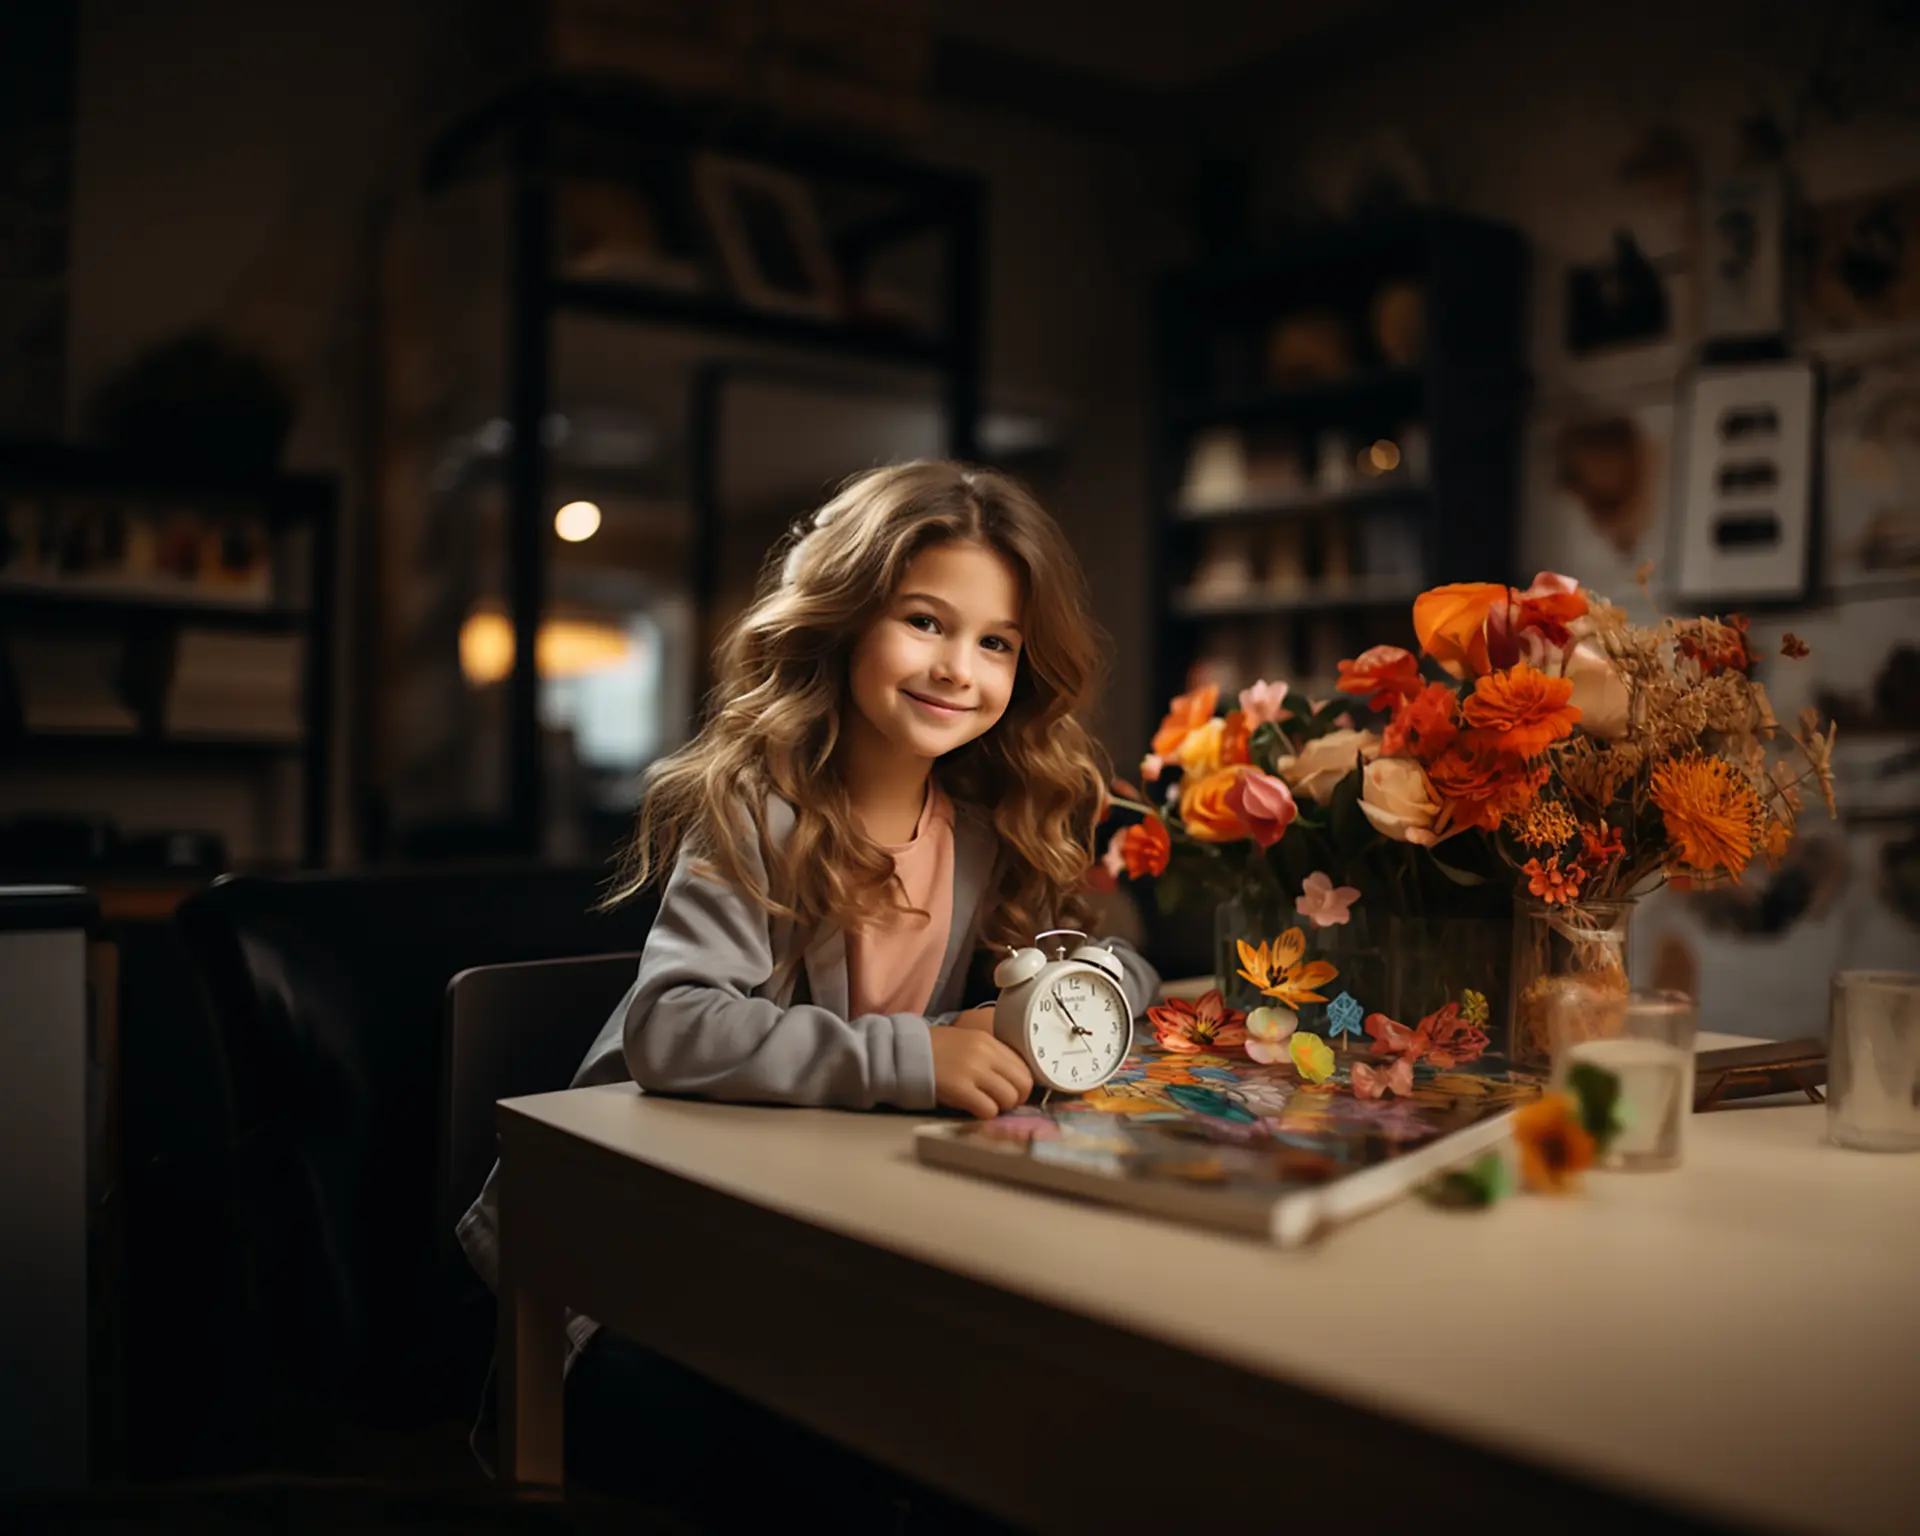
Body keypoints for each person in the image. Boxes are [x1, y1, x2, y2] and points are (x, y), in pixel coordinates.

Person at [457, 460, 1159, 1527]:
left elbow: (1112, 959)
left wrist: (1084, 983)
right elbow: (672, 1026)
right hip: (642, 1271)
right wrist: (919, 1055)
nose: (958, 667)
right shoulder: (755, 809)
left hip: (814, 1249)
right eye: (925, 621)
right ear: (844, 616)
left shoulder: (983, 834)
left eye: (997, 643)